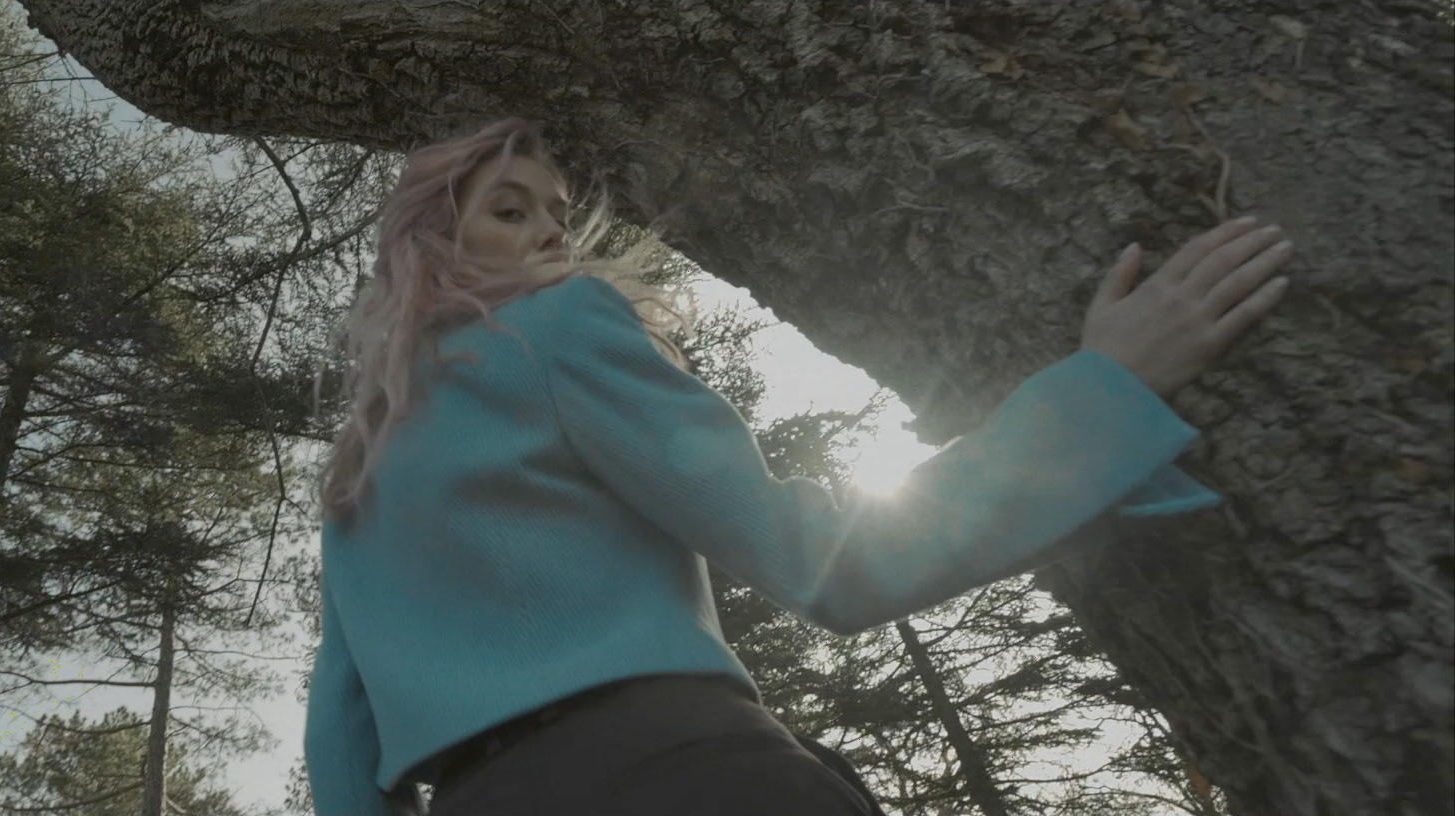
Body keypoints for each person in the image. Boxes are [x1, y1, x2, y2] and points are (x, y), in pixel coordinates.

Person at [302, 117, 1296, 816]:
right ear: (430, 240)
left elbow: (343, 754)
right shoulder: (555, 326)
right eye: (510, 210)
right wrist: (1103, 395)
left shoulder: (356, 477)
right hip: (679, 777)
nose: (554, 234)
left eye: (555, 210)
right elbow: (823, 558)